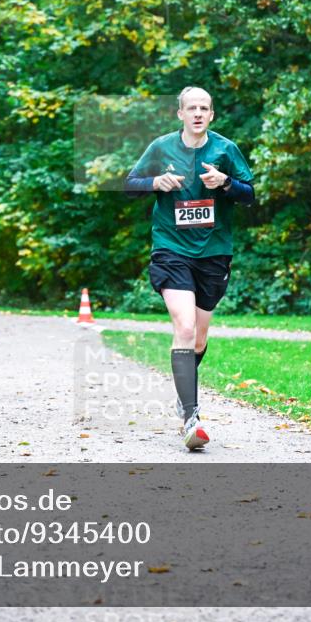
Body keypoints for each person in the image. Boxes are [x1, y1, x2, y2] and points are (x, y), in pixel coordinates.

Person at [124, 87, 255, 450]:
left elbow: (249, 195)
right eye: (191, 108)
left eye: (204, 108)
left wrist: (226, 183)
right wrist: (155, 182)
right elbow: (129, 186)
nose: (197, 113)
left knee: (198, 338)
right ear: (179, 113)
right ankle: (190, 417)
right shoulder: (161, 148)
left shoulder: (226, 150)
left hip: (214, 252)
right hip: (171, 249)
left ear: (211, 115)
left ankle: (184, 395)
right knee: (183, 326)